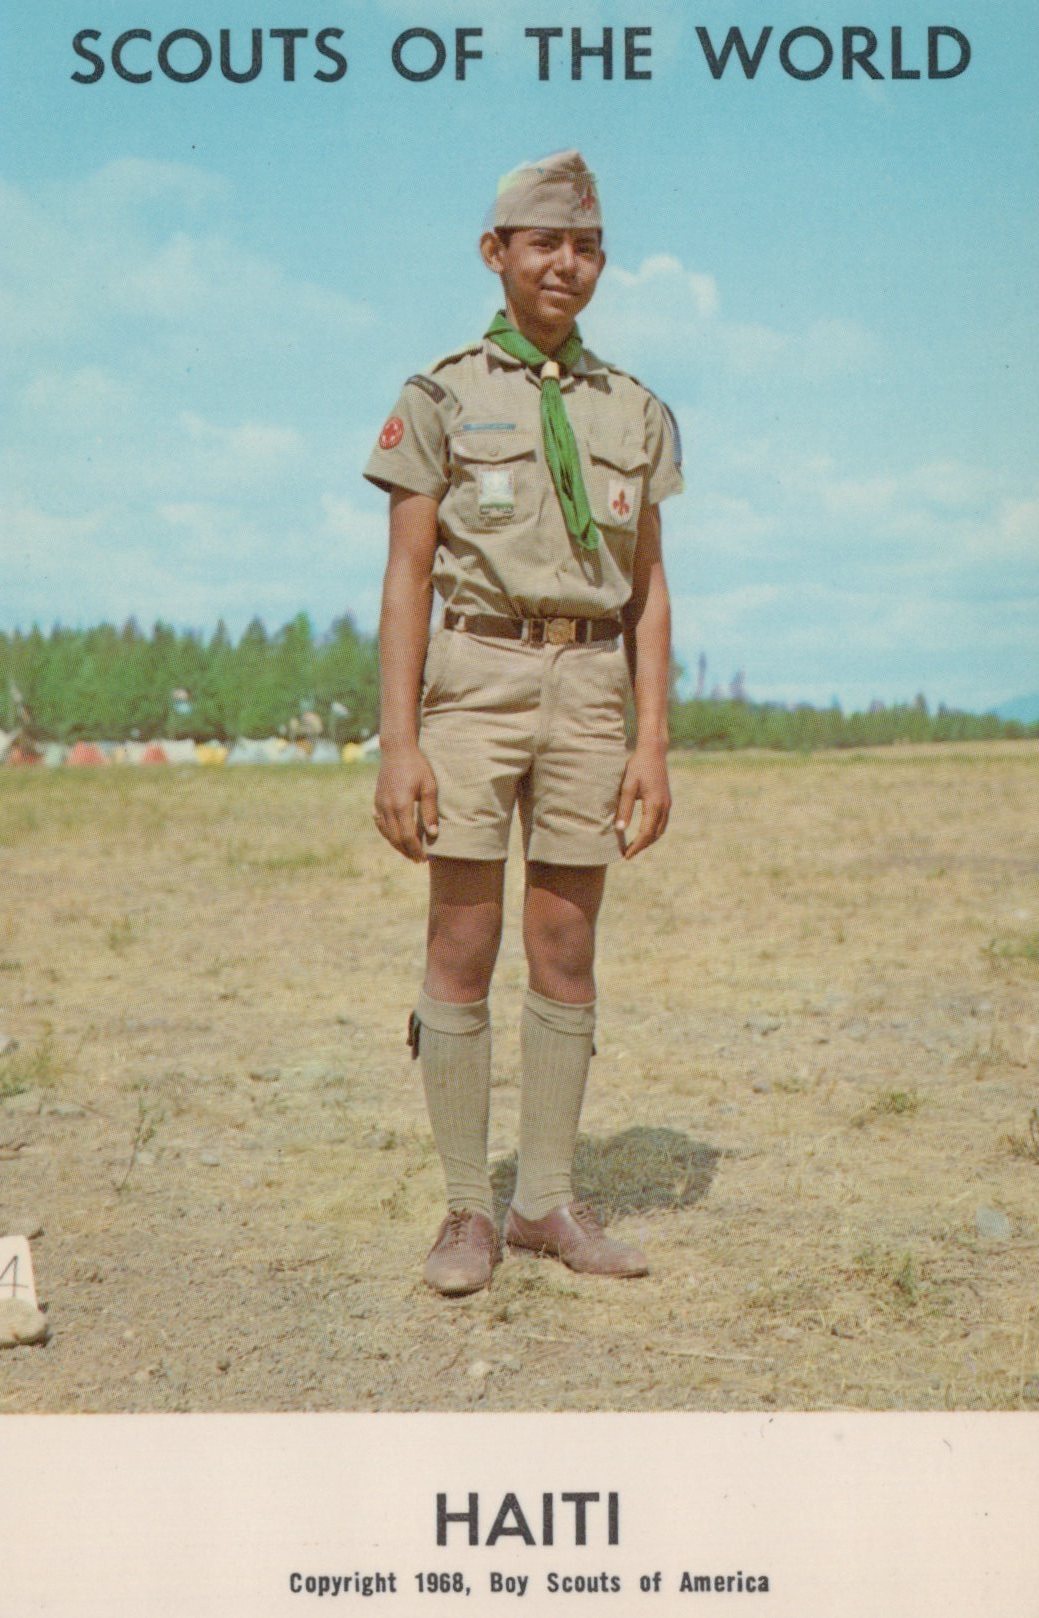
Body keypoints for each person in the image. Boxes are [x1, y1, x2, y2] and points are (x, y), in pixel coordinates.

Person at [364, 150, 683, 1297]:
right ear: (494, 253)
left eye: (587, 244)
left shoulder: (635, 410)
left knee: (564, 943)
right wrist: (397, 741)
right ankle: (464, 1210)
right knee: (460, 941)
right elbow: (405, 578)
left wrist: (650, 739)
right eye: (543, 241)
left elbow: (646, 587)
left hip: (592, 690)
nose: (568, 263)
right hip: (475, 682)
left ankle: (543, 1198)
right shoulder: (440, 396)